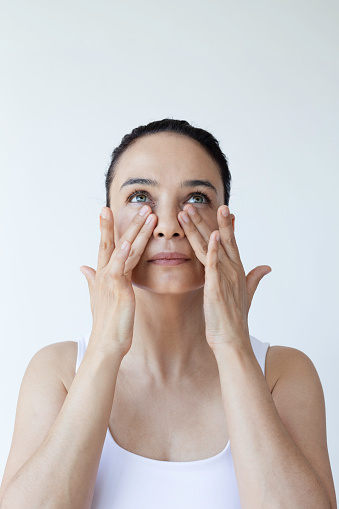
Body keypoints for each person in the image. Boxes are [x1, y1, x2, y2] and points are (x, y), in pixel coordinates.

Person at [0, 118, 336, 508]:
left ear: (225, 221)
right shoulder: (58, 370)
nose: (169, 227)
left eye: (196, 198)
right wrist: (105, 347)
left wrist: (232, 344)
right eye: (141, 197)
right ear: (107, 220)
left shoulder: (282, 373)